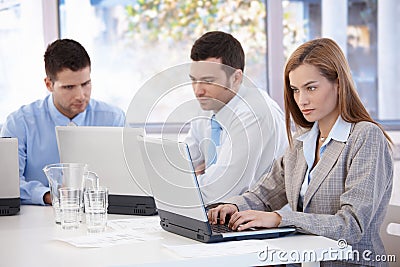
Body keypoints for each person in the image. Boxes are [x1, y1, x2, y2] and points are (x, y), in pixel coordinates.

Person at [208, 38, 393, 267]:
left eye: (311, 88)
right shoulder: (302, 141)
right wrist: (233, 207)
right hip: (304, 261)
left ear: (338, 83)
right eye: (295, 90)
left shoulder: (365, 137)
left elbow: (351, 225)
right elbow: (264, 194)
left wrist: (279, 219)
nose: (301, 100)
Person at [0, 39, 125, 206]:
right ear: (49, 84)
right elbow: (8, 184)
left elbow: (128, 179)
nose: (81, 95)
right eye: (69, 87)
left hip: (100, 215)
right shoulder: (20, 123)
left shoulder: (113, 119)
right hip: (36, 220)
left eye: (85, 84)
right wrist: (48, 195)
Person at [186, 31, 287, 204]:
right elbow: (181, 164)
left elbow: (219, 192)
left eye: (208, 81)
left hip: (258, 221)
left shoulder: (254, 112)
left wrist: (186, 183)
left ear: (236, 78)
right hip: (217, 215)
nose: (198, 91)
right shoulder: (209, 106)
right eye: (194, 80)